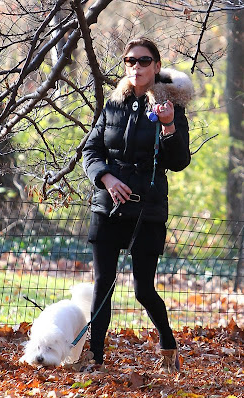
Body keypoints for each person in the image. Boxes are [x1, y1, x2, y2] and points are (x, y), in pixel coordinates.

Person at [82, 37, 193, 373]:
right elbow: (90, 150)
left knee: (144, 288)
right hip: (109, 207)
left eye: (144, 61)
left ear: (157, 66)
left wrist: (169, 125)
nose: (136, 67)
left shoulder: (169, 106)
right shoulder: (113, 105)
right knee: (103, 284)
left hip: (147, 210)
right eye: (130, 61)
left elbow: (179, 162)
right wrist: (106, 179)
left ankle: (168, 343)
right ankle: (96, 357)